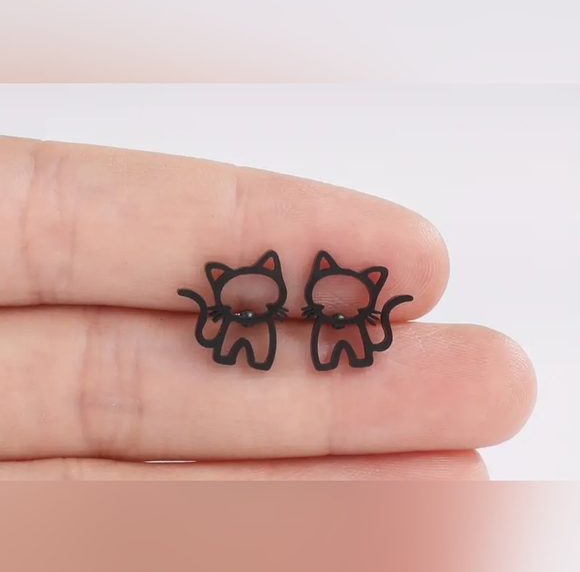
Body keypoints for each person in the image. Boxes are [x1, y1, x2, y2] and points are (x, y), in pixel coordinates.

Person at [0, 135, 536, 480]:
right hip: (250, 328)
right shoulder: (251, 307)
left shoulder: (325, 309)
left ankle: (305, 342)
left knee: (319, 346)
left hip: (322, 329)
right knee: (250, 343)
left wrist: (346, 318)